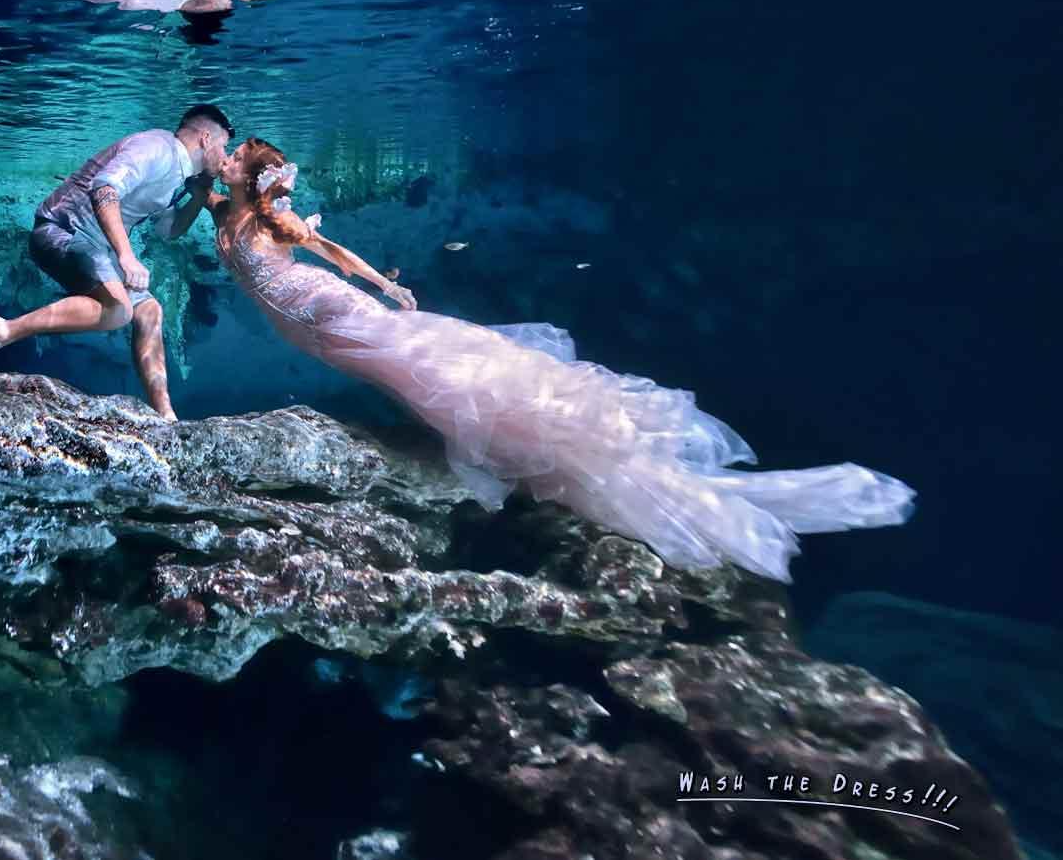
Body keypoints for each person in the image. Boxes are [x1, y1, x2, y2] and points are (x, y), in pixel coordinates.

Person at [202, 137, 916, 583]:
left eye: (235, 156)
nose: (227, 159)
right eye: (230, 157)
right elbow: (218, 212)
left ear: (255, 177)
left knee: (445, 378)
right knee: (434, 378)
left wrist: (386, 285)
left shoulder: (271, 218)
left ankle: (569, 440)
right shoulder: (226, 212)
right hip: (322, 330)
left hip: (337, 317)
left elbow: (333, 255)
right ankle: (555, 437)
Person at [0, 105, 235, 421]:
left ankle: (165, 414)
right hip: (65, 230)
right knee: (118, 311)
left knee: (148, 311)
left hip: (96, 246)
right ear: (207, 138)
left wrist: (199, 196)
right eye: (224, 146)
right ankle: (1, 330)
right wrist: (126, 256)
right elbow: (105, 187)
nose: (226, 156)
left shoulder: (181, 175)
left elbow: (169, 231)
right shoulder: (156, 147)